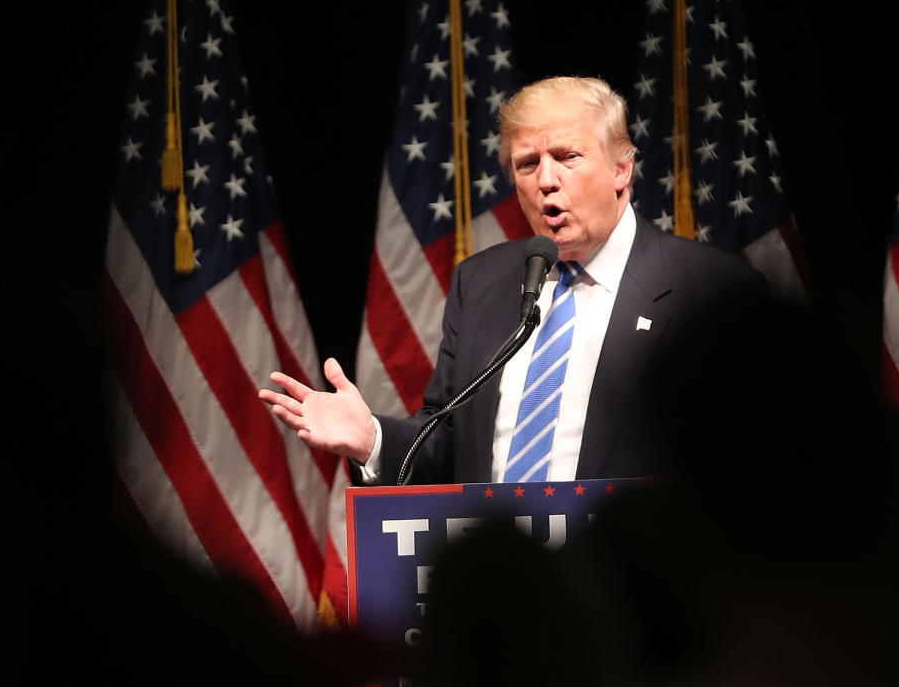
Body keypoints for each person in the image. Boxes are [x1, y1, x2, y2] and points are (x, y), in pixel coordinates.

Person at [258, 75, 771, 484]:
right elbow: (449, 445)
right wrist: (372, 439)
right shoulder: (482, 282)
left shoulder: (711, 289)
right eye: (528, 163)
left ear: (622, 170)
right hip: (507, 590)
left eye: (568, 157)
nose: (546, 179)